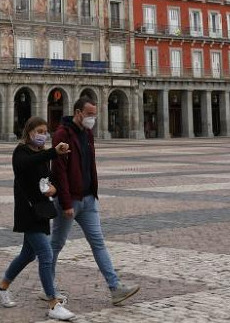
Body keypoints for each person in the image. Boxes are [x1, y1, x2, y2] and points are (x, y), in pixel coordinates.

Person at [50, 98, 140, 306]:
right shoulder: (62, 134)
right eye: (89, 114)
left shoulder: (88, 134)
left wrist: (93, 192)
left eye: (94, 114)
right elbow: (59, 171)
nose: (93, 118)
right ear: (78, 112)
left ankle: (115, 288)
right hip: (70, 200)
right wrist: (65, 203)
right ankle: (48, 287)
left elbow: (90, 165)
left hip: (88, 199)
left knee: (98, 243)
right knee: (56, 244)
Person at [0, 116, 76, 321]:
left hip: (41, 210)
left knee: (27, 255)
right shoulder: (21, 152)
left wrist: (54, 189)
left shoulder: (42, 154)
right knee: (46, 256)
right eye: (39, 131)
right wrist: (53, 151)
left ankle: (1, 287)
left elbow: (48, 177)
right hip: (27, 212)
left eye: (45, 131)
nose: (43, 135)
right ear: (29, 132)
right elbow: (27, 164)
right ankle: (52, 303)